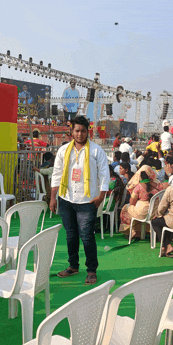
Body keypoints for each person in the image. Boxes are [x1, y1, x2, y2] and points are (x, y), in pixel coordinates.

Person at [50, 115, 110, 285]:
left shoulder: (96, 151)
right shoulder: (63, 151)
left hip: (87, 201)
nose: (80, 134)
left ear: (87, 132)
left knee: (87, 237)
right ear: (71, 131)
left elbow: (105, 176)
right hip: (66, 199)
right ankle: (73, 266)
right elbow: (56, 174)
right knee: (70, 236)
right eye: (77, 130)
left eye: (83, 131)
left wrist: (100, 197)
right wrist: (53, 198)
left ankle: (91, 270)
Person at [119, 165, 165, 238]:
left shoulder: (139, 186)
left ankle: (133, 231)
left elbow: (132, 202)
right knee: (136, 210)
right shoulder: (158, 185)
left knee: (126, 208)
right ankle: (144, 231)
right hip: (155, 212)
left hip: (143, 212)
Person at [151, 164, 173, 257]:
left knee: (155, 221)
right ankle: (166, 246)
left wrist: (158, 214)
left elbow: (162, 207)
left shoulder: (171, 189)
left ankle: (166, 245)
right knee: (164, 222)